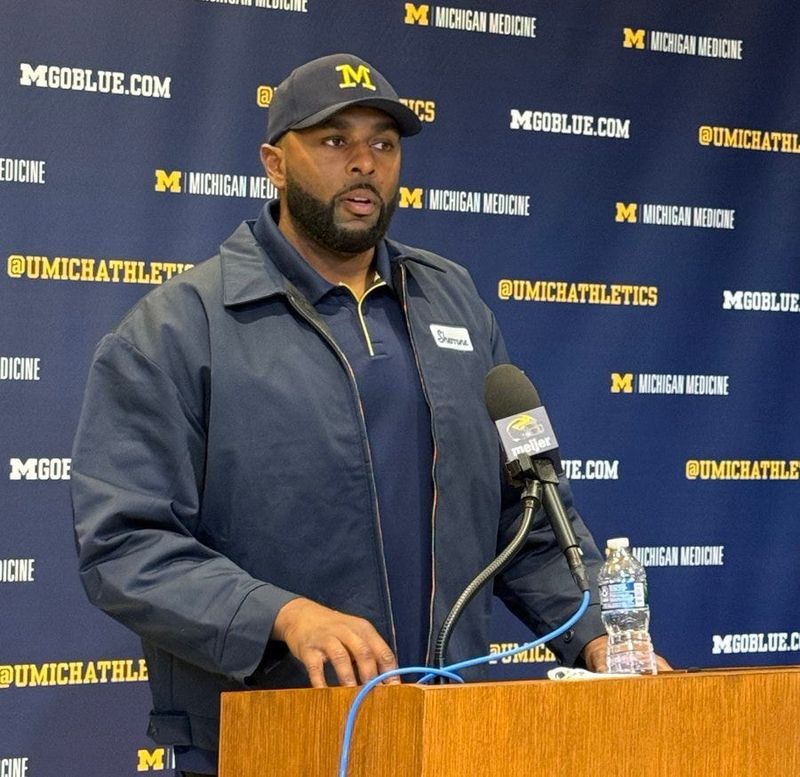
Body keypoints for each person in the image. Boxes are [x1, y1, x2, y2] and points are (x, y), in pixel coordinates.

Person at [71, 53, 631, 777]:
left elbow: (530, 513)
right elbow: (124, 545)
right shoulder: (178, 329)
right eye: (334, 141)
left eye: (383, 144)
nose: (364, 163)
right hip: (272, 738)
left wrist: (599, 636)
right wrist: (281, 614)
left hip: (449, 732)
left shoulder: (456, 303)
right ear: (275, 164)